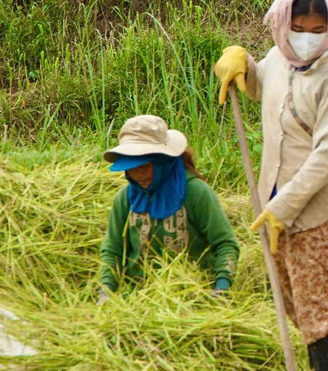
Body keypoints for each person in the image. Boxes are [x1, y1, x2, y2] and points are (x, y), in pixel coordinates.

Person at [212, 0, 328, 371]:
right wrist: (243, 64)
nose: (307, 40)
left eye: (318, 32)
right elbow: (264, 89)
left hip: (313, 209)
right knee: (291, 297)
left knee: (315, 304)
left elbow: (326, 159)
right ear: (283, 24)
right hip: (271, 200)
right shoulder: (280, 58)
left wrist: (284, 208)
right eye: (298, 30)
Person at [99, 114, 239, 301]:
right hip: (139, 299)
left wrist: (221, 287)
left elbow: (225, 244)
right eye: (131, 167)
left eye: (144, 166)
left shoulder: (196, 193)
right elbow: (112, 250)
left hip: (196, 294)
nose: (137, 174)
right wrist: (105, 291)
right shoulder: (125, 199)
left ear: (162, 161)